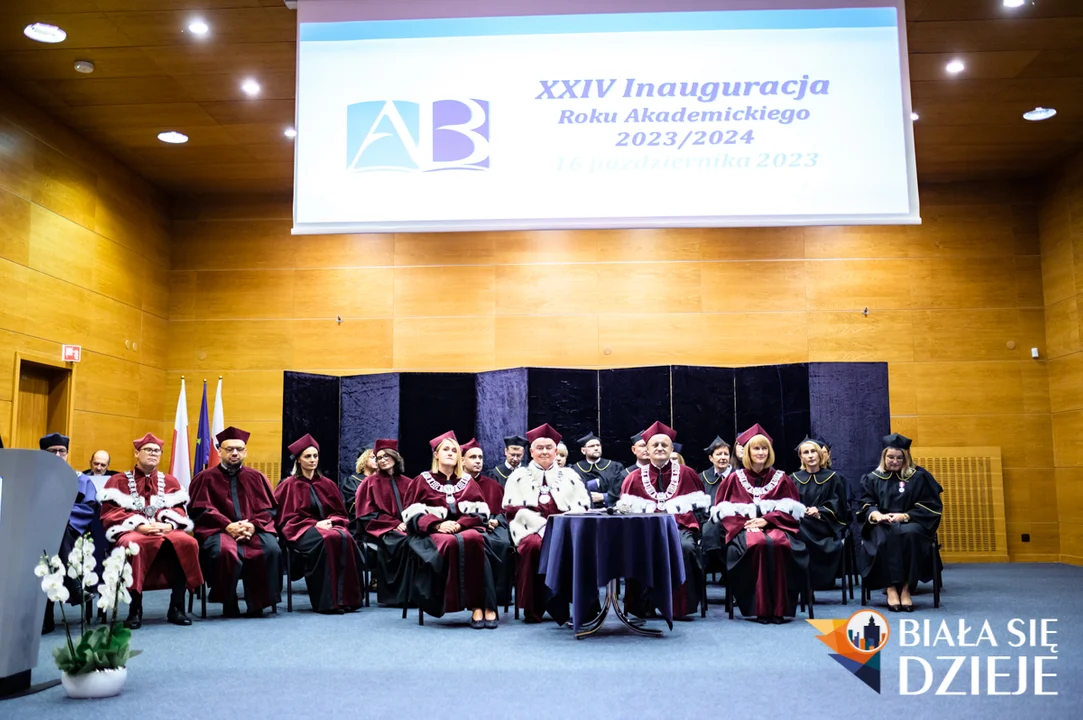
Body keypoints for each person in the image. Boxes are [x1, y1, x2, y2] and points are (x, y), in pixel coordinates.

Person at [99, 433, 203, 628]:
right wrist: (138, 525)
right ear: (137, 453)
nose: (153, 453)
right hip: (131, 530)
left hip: (164, 529)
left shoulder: (170, 481)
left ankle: (177, 606)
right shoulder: (117, 481)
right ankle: (135, 609)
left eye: (157, 451)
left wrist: (169, 524)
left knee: (187, 542)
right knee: (135, 544)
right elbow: (110, 513)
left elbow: (179, 510)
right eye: (148, 450)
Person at [710, 424, 807, 623]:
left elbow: (792, 509)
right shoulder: (733, 479)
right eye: (756, 448)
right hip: (744, 528)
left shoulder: (782, 479)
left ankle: (779, 609)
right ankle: (759, 608)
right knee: (757, 543)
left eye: (764, 448)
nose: (761, 452)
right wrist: (746, 523)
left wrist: (767, 520)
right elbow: (723, 509)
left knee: (779, 544)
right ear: (747, 452)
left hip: (777, 526)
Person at [402, 431, 498, 628]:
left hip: (463, 528)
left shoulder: (467, 482)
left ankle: (481, 606)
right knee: (450, 542)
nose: (450, 453)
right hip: (430, 533)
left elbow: (481, 512)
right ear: (436, 454)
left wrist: (461, 524)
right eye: (445, 449)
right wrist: (437, 525)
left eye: (454, 451)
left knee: (475, 540)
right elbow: (412, 514)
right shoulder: (421, 480)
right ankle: (453, 601)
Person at [618, 421, 711, 619]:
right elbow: (625, 514)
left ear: (671, 449)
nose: (660, 448)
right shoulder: (633, 478)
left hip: (681, 527)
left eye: (664, 445)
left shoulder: (688, 474)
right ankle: (644, 604)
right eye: (655, 445)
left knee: (685, 547)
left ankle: (680, 606)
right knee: (641, 548)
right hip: (644, 531)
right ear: (647, 449)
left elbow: (702, 509)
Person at [188, 426, 282, 617]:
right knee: (224, 552)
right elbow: (199, 510)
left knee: (271, 549)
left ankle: (258, 603)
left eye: (239, 449)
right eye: (229, 449)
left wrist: (252, 525)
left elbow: (268, 509)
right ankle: (228, 601)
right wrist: (227, 525)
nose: (234, 453)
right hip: (217, 530)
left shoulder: (257, 477)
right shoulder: (204, 478)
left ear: (245, 452)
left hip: (254, 529)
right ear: (219, 451)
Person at [502, 423, 591, 623]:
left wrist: (558, 527)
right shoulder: (518, 476)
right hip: (530, 531)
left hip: (565, 529)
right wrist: (541, 526)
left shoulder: (570, 476)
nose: (544, 452)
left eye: (549, 448)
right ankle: (534, 608)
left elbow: (583, 506)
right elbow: (512, 509)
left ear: (555, 451)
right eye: (539, 448)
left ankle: (580, 606)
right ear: (531, 451)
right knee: (533, 546)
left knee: (575, 545)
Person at [274, 434, 365, 614]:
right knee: (327, 539)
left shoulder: (327, 484)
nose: (312, 460)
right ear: (298, 460)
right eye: (307, 456)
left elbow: (340, 512)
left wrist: (332, 521)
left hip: (329, 526)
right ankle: (328, 602)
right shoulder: (288, 485)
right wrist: (315, 524)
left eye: (315, 456)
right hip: (300, 530)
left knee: (345, 537)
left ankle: (348, 600)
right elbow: (285, 517)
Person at [856, 433, 943, 612]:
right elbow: (865, 503)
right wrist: (876, 515)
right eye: (891, 457)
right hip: (882, 522)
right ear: (884, 457)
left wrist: (905, 516)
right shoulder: (872, 478)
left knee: (911, 534)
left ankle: (905, 588)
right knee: (883, 536)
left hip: (911, 520)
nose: (895, 461)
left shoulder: (918, 477)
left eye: (899, 458)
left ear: (906, 458)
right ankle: (890, 588)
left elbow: (930, 505)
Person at [40, 433, 99, 633]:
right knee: (48, 539)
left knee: (57, 534)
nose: (58, 455)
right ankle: (74, 588)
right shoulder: (33, 477)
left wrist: (59, 518)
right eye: (52, 451)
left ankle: (45, 619)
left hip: (73, 534)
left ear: (67, 453)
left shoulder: (80, 479)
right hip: (38, 532)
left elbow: (88, 507)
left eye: (62, 451)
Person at [352, 439, 414, 606]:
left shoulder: (409, 483)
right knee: (402, 541)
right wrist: (393, 524)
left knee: (421, 540)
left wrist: (410, 523)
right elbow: (366, 515)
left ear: (395, 457)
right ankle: (397, 595)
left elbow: (417, 508)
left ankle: (416, 593)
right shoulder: (369, 483)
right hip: (378, 530)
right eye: (379, 457)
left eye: (386, 456)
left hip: (406, 527)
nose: (383, 460)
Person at [460, 438, 513, 607]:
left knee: (503, 543)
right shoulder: (455, 484)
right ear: (462, 461)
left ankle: (498, 595)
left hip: (493, 526)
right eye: (473, 457)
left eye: (480, 457)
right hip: (467, 526)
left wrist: (496, 521)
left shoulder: (493, 485)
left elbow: (505, 511)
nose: (478, 461)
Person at [792, 437, 849, 592]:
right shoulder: (793, 479)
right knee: (797, 526)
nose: (810, 455)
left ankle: (808, 582)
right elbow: (788, 503)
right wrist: (801, 510)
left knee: (799, 528)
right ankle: (806, 581)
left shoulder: (834, 478)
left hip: (824, 524)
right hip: (801, 522)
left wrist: (820, 511)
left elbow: (840, 506)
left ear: (820, 455)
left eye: (813, 452)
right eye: (806, 452)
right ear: (801, 457)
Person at [571, 432, 626, 509]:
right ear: (583, 450)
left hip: (610, 510)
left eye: (598, 445)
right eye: (591, 446)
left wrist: (604, 497)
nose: (596, 448)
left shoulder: (615, 467)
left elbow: (621, 490)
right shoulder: (575, 469)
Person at [613, 431, 650, 507]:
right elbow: (614, 501)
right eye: (642, 446)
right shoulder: (625, 474)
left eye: (649, 446)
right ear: (634, 450)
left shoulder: (661, 472)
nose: (646, 449)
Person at [341, 445, 376, 517]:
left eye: (378, 458)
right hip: (361, 520)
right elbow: (354, 506)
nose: (377, 460)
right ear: (364, 460)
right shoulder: (352, 481)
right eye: (373, 457)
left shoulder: (383, 481)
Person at [700, 436, 734, 504]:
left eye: (726, 454)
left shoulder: (739, 477)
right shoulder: (702, 478)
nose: (723, 457)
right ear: (711, 458)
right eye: (719, 454)